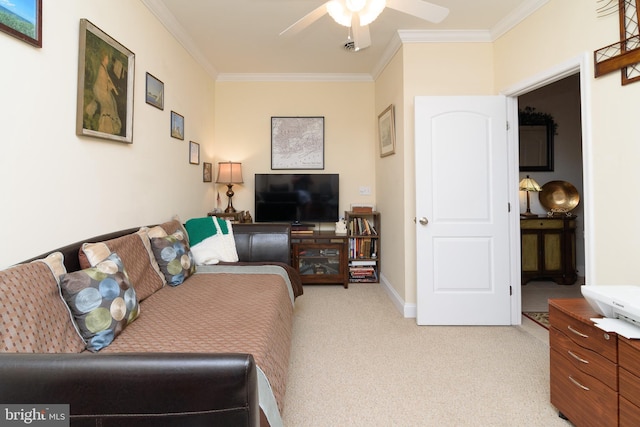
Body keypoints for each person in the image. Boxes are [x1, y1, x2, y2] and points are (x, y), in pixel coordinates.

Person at [88, 49, 122, 135]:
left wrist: (112, 87)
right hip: (102, 93)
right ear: (104, 58)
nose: (108, 60)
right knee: (108, 108)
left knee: (113, 105)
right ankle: (105, 128)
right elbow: (102, 84)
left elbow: (108, 81)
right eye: (107, 58)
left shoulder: (104, 68)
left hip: (105, 92)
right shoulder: (102, 69)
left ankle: (111, 128)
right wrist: (110, 87)